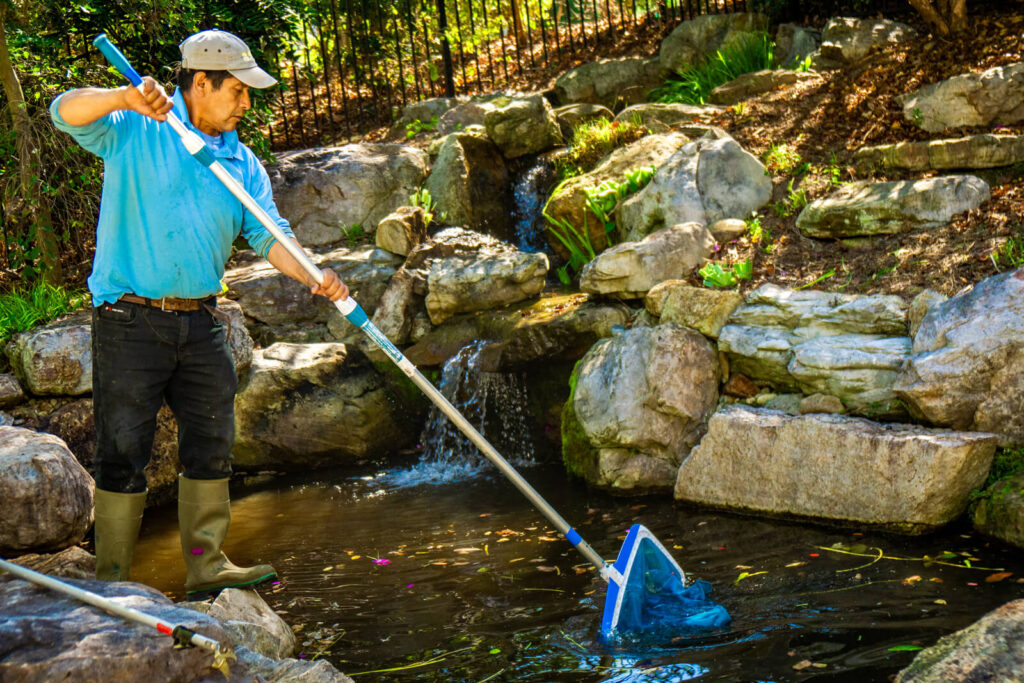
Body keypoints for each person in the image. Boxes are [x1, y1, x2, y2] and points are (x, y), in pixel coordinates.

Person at [50, 29, 349, 595]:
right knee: (122, 453)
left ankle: (204, 565)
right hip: (129, 318)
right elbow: (63, 111)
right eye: (236, 90)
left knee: (211, 446)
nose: (246, 103)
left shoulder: (240, 159)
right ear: (201, 82)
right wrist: (123, 98)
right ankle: (111, 579)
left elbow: (269, 234)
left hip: (202, 321)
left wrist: (315, 274)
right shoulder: (137, 128)